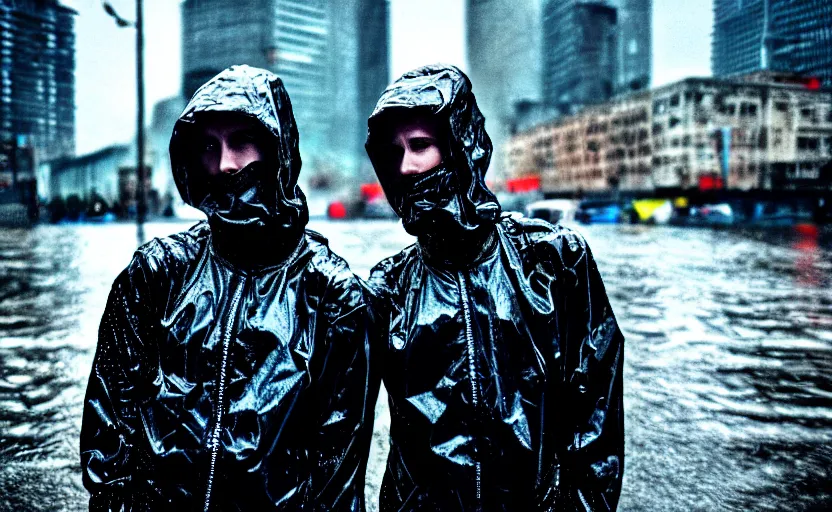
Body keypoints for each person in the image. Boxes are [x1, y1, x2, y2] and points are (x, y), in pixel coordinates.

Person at [80, 65, 373, 511]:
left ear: (278, 150)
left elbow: (335, 478)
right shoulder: (156, 274)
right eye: (209, 147)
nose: (225, 164)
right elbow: (110, 437)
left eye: (241, 142)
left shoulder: (334, 298)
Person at [365, 64, 625, 511]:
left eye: (421, 145)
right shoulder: (389, 287)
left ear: (460, 146)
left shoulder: (553, 260)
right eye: (394, 152)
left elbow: (594, 421)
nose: (405, 166)